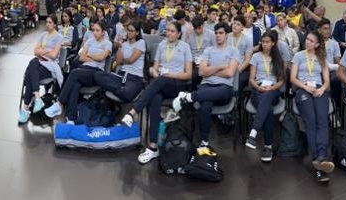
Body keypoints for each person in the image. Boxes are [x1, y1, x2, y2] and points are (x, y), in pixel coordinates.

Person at [120, 21, 192, 164]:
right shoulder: (162, 46)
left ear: (178, 34)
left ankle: (133, 112)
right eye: (168, 30)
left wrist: (169, 75)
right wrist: (154, 72)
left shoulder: (185, 47)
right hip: (161, 84)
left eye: (172, 31)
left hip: (177, 84)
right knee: (155, 98)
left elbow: (188, 74)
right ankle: (153, 147)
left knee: (160, 81)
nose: (169, 33)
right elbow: (154, 69)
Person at [172, 21, 240, 149]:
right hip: (207, 86)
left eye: (221, 33)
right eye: (216, 33)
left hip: (224, 89)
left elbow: (230, 72)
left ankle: (189, 97)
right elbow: (202, 72)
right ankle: (204, 142)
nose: (218, 35)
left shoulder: (233, 50)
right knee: (205, 105)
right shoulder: (208, 50)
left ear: (227, 35)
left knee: (219, 93)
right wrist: (220, 67)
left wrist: (211, 72)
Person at [42, 21, 114, 122]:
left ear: (103, 32)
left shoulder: (108, 43)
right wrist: (94, 58)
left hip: (97, 73)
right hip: (84, 70)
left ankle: (60, 103)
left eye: (98, 30)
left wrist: (89, 56)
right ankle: (71, 118)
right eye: (94, 30)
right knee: (75, 84)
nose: (95, 32)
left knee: (74, 72)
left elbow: (102, 57)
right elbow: (81, 58)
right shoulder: (89, 41)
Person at [290, 30, 335, 183]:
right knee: (312, 122)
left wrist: (322, 88)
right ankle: (319, 159)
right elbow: (292, 78)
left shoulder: (321, 57)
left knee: (322, 120)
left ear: (316, 44)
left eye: (311, 41)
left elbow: (327, 80)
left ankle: (321, 157)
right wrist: (304, 86)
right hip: (303, 89)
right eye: (307, 39)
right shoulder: (298, 56)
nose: (307, 42)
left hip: (318, 89)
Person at [245, 30, 287, 162]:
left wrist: (272, 87)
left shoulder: (278, 58)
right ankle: (268, 146)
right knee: (268, 110)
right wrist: (258, 87)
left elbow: (281, 81)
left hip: (273, 91)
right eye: (263, 42)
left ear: (273, 43)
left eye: (267, 42)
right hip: (257, 90)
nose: (264, 44)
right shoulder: (256, 57)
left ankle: (254, 131)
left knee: (268, 95)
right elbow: (251, 79)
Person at [18, 15, 63, 124]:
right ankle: (37, 99)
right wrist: (47, 51)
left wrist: (43, 51)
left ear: (55, 24)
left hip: (50, 65)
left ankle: (25, 108)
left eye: (50, 22)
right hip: (39, 63)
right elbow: (35, 51)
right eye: (46, 22)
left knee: (31, 69)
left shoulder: (59, 37)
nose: (47, 24)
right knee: (33, 65)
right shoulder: (43, 35)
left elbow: (54, 55)